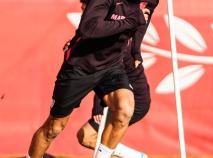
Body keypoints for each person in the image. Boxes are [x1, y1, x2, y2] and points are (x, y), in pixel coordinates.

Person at [26, 0, 150, 157]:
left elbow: (144, 18)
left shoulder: (146, 2)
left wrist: (136, 51)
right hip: (80, 67)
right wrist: (130, 21)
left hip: (112, 67)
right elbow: (88, 28)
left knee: (125, 109)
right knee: (53, 128)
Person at [75, 0, 159, 157]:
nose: (82, 9)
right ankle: (136, 157)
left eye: (86, 6)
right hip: (118, 97)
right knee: (85, 136)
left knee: (90, 136)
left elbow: (103, 76)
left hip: (135, 100)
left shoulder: (117, 42)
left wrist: (99, 107)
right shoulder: (105, 32)